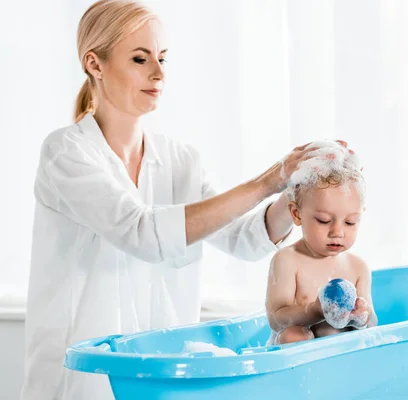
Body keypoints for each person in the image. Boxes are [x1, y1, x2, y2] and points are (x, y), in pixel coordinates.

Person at [20, 1, 348, 399]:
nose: (158, 74)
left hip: (164, 380)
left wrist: (295, 189)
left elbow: (244, 239)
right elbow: (142, 232)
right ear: (94, 63)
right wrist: (269, 180)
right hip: (82, 384)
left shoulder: (180, 160)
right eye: (140, 59)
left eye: (162, 58)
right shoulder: (66, 153)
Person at [265, 141, 377, 345]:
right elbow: (276, 319)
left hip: (338, 356)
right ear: (296, 214)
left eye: (350, 222)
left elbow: (372, 321)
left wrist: (362, 315)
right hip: (297, 356)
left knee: (356, 336)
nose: (337, 232)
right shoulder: (288, 260)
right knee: (294, 334)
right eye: (324, 221)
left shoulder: (358, 267)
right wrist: (315, 311)